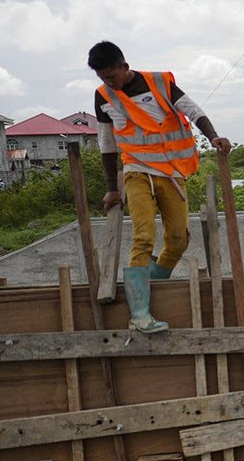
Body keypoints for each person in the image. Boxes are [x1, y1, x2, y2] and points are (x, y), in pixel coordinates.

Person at [88, 40, 232, 334]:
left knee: (178, 239)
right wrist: (112, 188)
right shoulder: (102, 97)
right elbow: (107, 144)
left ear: (124, 68)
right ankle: (139, 315)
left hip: (170, 172)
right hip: (136, 172)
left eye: (112, 76)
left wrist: (214, 136)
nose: (109, 83)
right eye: (103, 78)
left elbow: (193, 111)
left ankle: (152, 279)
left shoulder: (159, 84)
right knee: (143, 236)